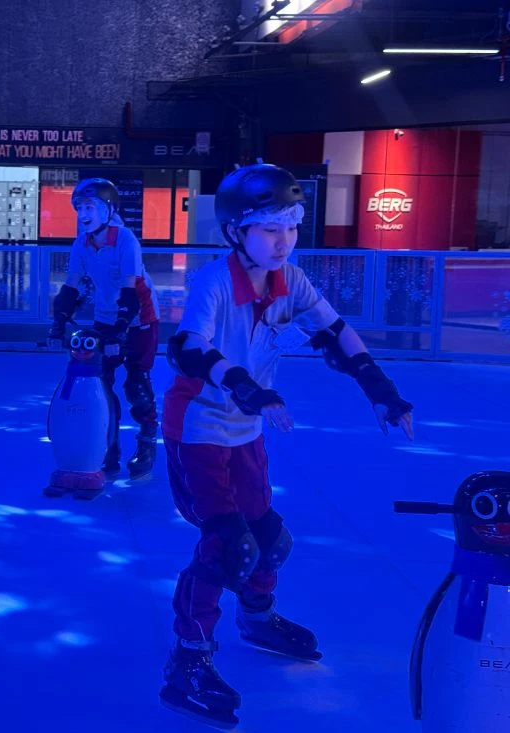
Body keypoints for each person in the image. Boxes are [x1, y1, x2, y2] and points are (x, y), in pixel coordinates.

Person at [159, 163, 414, 728]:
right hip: (197, 429)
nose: (284, 241)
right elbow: (189, 347)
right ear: (236, 231)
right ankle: (188, 661)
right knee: (228, 546)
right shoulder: (214, 282)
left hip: (245, 431)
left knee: (269, 540)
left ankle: (256, 618)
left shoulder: (290, 280)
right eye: (271, 228)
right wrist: (247, 387)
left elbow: (335, 331)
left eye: (292, 227)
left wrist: (379, 389)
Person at [47, 178, 160, 480]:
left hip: (140, 318)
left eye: (90, 207)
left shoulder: (125, 240)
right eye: (80, 208)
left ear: (108, 210)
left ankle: (147, 444)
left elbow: (130, 289)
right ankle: (109, 447)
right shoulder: (81, 243)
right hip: (105, 317)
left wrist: (122, 328)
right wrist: (59, 321)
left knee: (136, 385)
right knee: (100, 386)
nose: (83, 214)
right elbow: (71, 286)